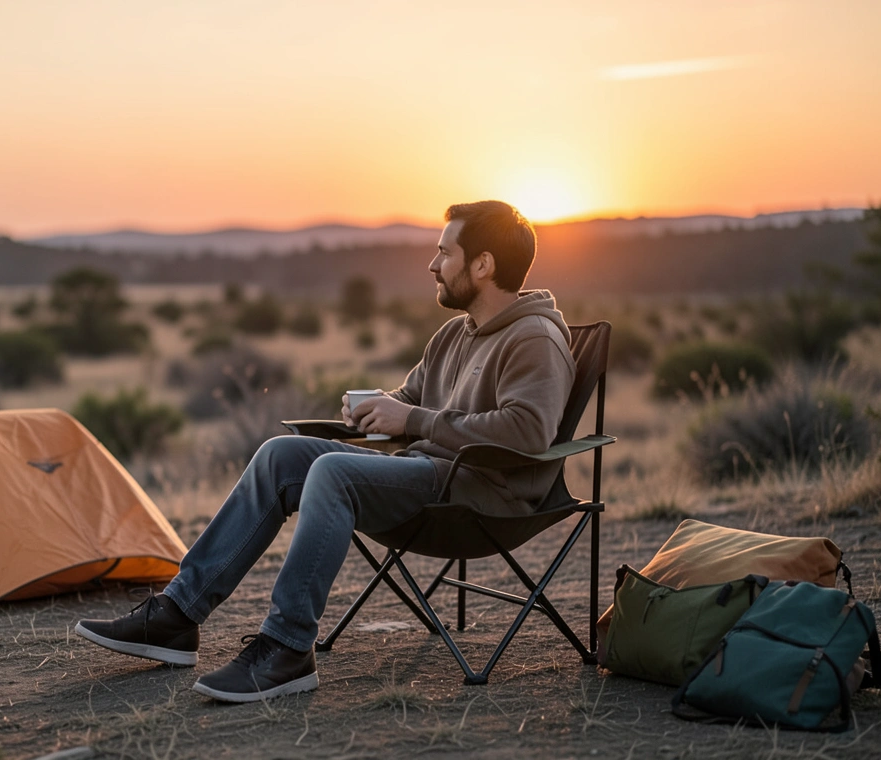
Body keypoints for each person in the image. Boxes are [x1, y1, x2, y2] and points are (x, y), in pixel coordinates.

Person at [75, 200, 575, 703]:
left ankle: (288, 649)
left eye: (445, 252)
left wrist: (415, 420)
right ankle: (177, 617)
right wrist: (376, 408)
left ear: (483, 265)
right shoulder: (454, 335)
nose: (432, 264)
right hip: (426, 476)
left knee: (333, 473)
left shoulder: (535, 337)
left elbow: (528, 433)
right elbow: (408, 402)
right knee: (280, 455)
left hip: (483, 497)